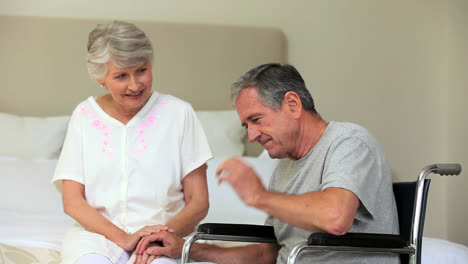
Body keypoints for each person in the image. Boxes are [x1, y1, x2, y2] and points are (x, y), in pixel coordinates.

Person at [133, 63, 400, 264]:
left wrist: (259, 196)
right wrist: (188, 249)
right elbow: (267, 252)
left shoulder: (349, 142)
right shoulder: (284, 169)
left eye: (257, 120)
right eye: (246, 126)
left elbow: (336, 218)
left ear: (293, 105)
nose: (252, 135)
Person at [52, 20, 212, 264]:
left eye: (141, 70)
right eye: (121, 76)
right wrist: (123, 238)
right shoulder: (84, 116)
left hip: (165, 236)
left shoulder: (179, 113)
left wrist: (158, 238)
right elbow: (73, 201)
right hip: (97, 236)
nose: (135, 85)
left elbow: (199, 201)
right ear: (100, 78)